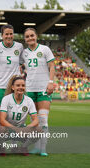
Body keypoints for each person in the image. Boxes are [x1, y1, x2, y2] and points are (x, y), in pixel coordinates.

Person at [21, 28, 55, 156]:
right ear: (25, 39)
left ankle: (43, 148)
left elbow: (52, 66)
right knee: (34, 121)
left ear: (36, 36)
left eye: (32, 35)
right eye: (27, 36)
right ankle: (36, 146)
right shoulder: (23, 53)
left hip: (43, 89)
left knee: (43, 121)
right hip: (30, 89)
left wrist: (51, 82)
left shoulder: (45, 49)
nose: (30, 38)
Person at [0, 75, 40, 155]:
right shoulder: (6, 99)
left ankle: (23, 147)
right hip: (8, 129)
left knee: (39, 130)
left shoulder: (29, 100)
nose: (21, 87)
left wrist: (26, 129)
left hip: (22, 130)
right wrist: (15, 129)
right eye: (18, 85)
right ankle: (2, 146)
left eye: (23, 85)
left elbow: (36, 120)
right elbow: (2, 120)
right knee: (0, 129)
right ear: (13, 87)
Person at [0, 24, 24, 119]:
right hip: (0, 85)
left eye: (11, 34)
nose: (9, 36)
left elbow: (21, 61)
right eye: (6, 34)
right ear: (2, 35)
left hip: (14, 87)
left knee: (14, 114)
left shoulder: (19, 46)